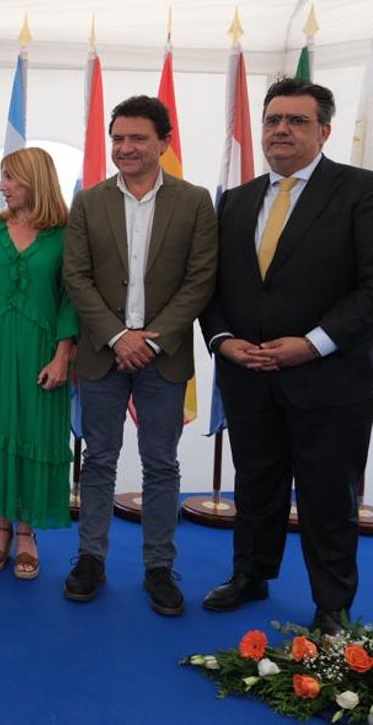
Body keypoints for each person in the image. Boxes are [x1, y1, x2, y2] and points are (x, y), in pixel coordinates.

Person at [201, 78, 373, 635]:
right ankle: (250, 576)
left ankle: (331, 605)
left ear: (324, 130)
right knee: (256, 484)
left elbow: (371, 288)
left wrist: (313, 343)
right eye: (273, 119)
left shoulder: (360, 191)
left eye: (296, 121)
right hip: (248, 375)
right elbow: (214, 286)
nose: (280, 129)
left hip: (331, 379)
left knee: (327, 495)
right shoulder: (236, 199)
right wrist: (223, 341)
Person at [62, 95, 216, 616]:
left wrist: (150, 338)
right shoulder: (88, 200)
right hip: (103, 355)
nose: (125, 148)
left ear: (164, 143)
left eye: (137, 138)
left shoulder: (195, 202)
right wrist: (116, 336)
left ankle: (158, 567)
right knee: (98, 460)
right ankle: (91, 559)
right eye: (118, 138)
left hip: (164, 357)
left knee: (161, 464)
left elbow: (201, 280)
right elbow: (75, 276)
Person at [0, 147, 77, 580]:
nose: (2, 186)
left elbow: (70, 299)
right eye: (2, 178)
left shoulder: (65, 234)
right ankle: (1, 527)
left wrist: (63, 354)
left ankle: (27, 532)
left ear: (35, 182)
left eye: (10, 178)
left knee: (34, 430)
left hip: (40, 349)